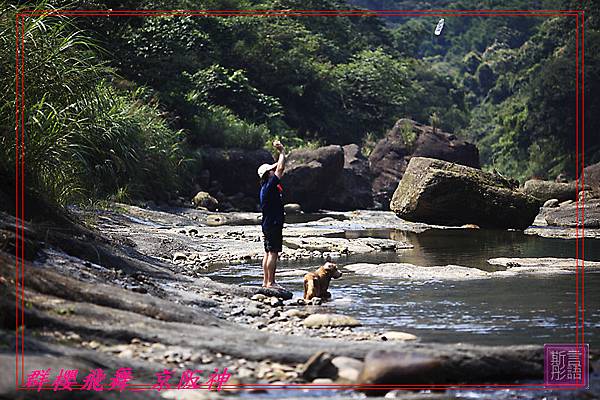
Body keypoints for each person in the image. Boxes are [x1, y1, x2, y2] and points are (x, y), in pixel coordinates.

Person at [257, 140, 286, 288]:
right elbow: (280, 169)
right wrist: (282, 152)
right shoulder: (270, 185)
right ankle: (271, 282)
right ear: (268, 174)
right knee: (273, 252)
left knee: (267, 252)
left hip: (267, 224)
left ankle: (265, 282)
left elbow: (276, 167)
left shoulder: (264, 186)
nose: (273, 170)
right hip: (273, 223)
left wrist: (278, 155)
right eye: (271, 170)